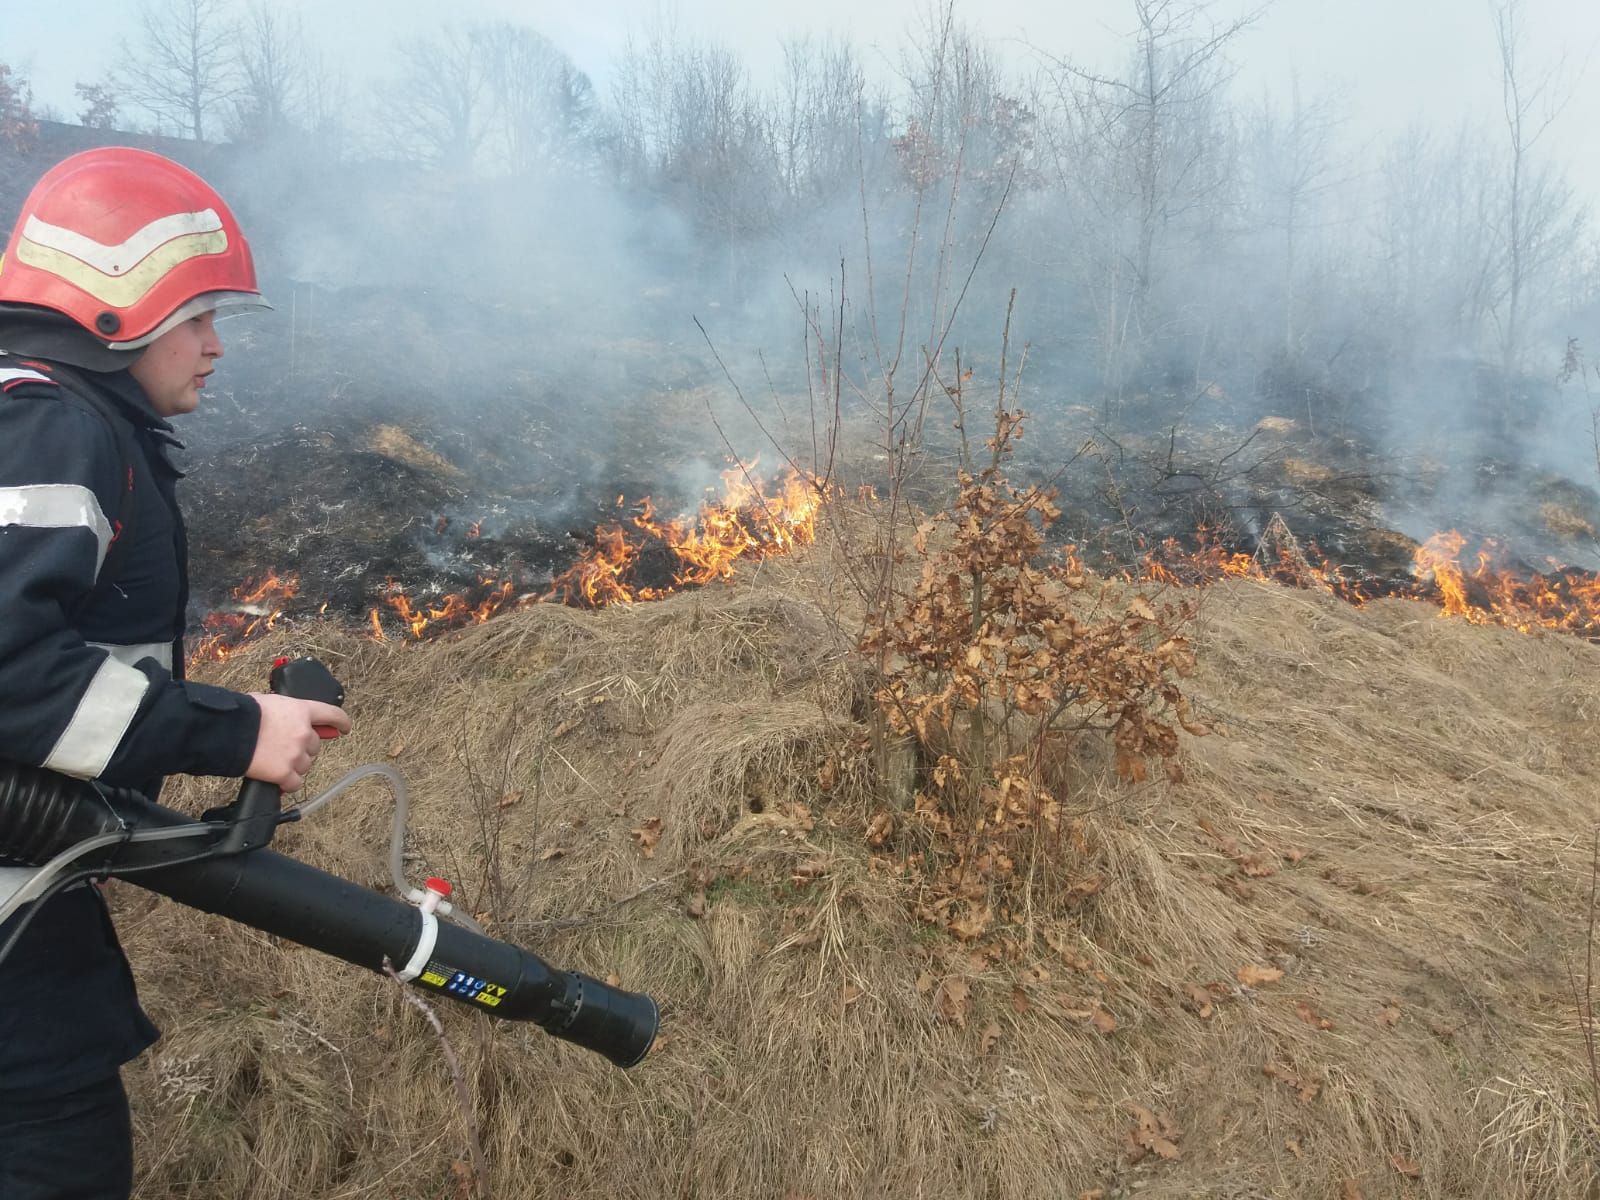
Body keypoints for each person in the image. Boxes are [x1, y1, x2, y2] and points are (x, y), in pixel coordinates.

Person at [0, 147, 351, 1199]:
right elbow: (7, 665)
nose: (213, 348)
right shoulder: (49, 425)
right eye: (196, 318)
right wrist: (231, 731)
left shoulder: (45, 417)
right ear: (114, 310)